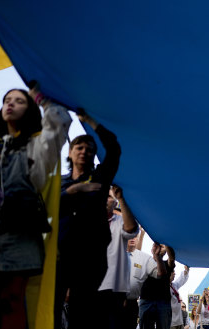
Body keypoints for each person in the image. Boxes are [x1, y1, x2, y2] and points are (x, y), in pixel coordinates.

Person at [0, 85, 71, 328]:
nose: (10, 104)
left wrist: (41, 98)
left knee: (10, 308)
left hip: (18, 240)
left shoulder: (37, 148)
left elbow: (60, 124)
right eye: (7, 100)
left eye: (19, 101)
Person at [55, 102, 121, 328]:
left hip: (91, 256)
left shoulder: (100, 179)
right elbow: (47, 206)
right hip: (60, 253)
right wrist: (73, 191)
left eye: (89, 148)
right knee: (53, 310)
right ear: (70, 153)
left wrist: (90, 123)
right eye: (79, 147)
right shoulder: (59, 183)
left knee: (82, 313)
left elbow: (113, 148)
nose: (84, 151)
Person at [98, 185, 139, 329]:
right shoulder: (85, 222)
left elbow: (131, 230)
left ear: (115, 202)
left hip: (113, 288)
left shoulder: (120, 221)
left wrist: (121, 198)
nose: (105, 199)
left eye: (109, 197)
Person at [123, 230, 155, 329]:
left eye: (134, 237)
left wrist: (142, 234)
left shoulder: (138, 258)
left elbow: (138, 253)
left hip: (132, 303)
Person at [140, 243, 176, 329]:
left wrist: (166, 242)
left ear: (166, 251)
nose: (159, 248)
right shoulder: (145, 262)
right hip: (146, 301)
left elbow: (172, 259)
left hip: (163, 303)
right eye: (156, 245)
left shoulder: (167, 264)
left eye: (162, 246)